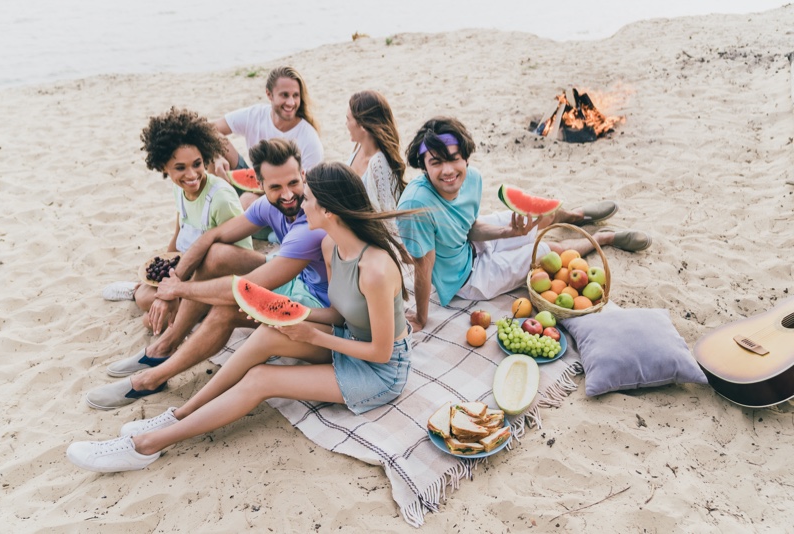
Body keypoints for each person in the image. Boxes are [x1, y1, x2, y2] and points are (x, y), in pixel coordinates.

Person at [67, 162, 414, 472]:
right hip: (349, 341)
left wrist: (314, 336)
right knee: (266, 335)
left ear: (329, 210)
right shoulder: (330, 246)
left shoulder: (376, 270)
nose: (301, 203)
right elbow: (340, 312)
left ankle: (147, 446)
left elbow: (381, 353)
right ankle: (179, 414)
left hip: (380, 372)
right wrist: (296, 317)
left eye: (307, 198)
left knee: (262, 378)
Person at [85, 138, 330, 410]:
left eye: (293, 183)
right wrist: (172, 282)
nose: (287, 194)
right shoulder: (267, 206)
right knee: (216, 254)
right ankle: (165, 346)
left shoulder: (310, 226)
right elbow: (213, 236)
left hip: (321, 311)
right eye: (275, 187)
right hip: (297, 281)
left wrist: (178, 291)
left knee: (225, 311)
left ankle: (151, 379)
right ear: (260, 185)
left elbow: (244, 289)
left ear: (303, 175)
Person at [396, 117, 652, 332]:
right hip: (469, 278)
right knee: (548, 250)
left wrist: (508, 233)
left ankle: (576, 216)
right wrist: (420, 318)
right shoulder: (416, 206)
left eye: (454, 158)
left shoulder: (472, 179)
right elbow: (423, 267)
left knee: (537, 216)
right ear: (423, 167)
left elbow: (468, 227)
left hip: (469, 244)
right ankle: (605, 238)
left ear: (466, 158)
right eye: (436, 162)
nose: (448, 170)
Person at [101, 108, 253, 330]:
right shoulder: (179, 190)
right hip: (188, 269)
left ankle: (193, 312)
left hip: (215, 278)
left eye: (197, 164)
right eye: (180, 168)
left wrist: (180, 288)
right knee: (145, 294)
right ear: (164, 167)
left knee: (147, 304)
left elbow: (232, 258)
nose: (191, 175)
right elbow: (178, 232)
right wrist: (165, 270)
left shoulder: (220, 198)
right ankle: (140, 290)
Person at [212, 66, 324, 209]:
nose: (291, 102)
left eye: (295, 95)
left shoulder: (309, 139)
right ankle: (214, 204)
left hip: (284, 196)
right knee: (216, 144)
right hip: (258, 180)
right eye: (284, 95)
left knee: (247, 201)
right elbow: (210, 128)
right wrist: (216, 156)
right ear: (269, 94)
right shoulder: (255, 115)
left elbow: (307, 192)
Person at [345, 90, 407, 213]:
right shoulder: (359, 147)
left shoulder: (379, 164)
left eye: (348, 119)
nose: (346, 124)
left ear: (363, 126)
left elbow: (388, 218)